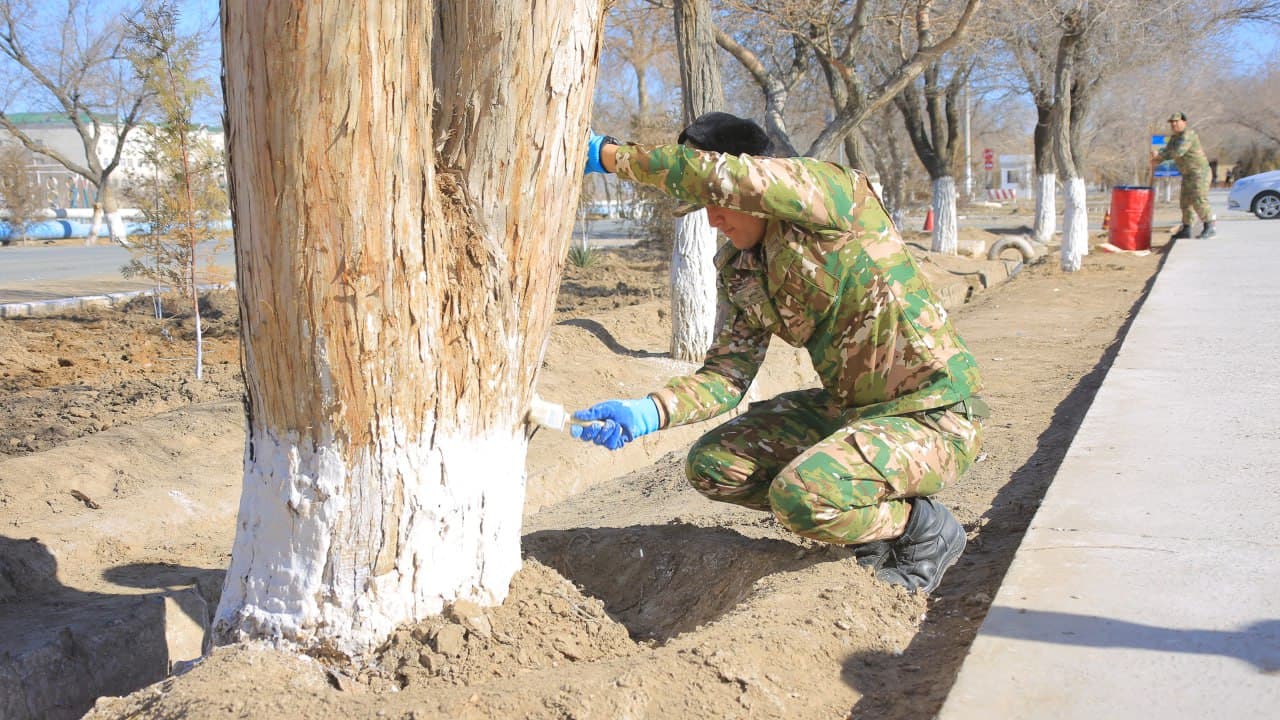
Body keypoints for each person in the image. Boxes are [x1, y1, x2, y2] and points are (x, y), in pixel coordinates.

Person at [574, 112, 986, 595]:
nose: (713, 218)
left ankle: (924, 529)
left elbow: (724, 175)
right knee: (714, 465)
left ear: (752, 184)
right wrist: (649, 411)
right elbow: (726, 377)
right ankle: (872, 528)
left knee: (803, 497)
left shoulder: (829, 198)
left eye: (718, 201)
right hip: (855, 414)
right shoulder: (741, 269)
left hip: (932, 416)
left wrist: (609, 156)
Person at [1151, 111, 1215, 239]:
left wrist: (1160, 156)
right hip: (1187, 174)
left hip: (1199, 173)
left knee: (1198, 198)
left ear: (1184, 122)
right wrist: (1156, 158)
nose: (1174, 124)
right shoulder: (1174, 138)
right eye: (1172, 122)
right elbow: (1167, 150)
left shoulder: (1188, 135)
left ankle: (1209, 226)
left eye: (1177, 121)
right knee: (1185, 202)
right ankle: (1186, 229)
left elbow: (1178, 152)